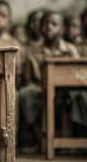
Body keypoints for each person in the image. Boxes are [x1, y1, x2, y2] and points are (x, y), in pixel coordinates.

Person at [19, 11, 80, 153]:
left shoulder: (70, 50)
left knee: (78, 96)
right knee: (25, 94)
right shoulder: (33, 52)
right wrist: (42, 89)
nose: (49, 28)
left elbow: (78, 75)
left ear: (62, 28)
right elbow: (28, 82)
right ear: (40, 29)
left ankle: (69, 141)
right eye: (45, 25)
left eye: (54, 24)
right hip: (41, 91)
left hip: (66, 91)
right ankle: (41, 139)